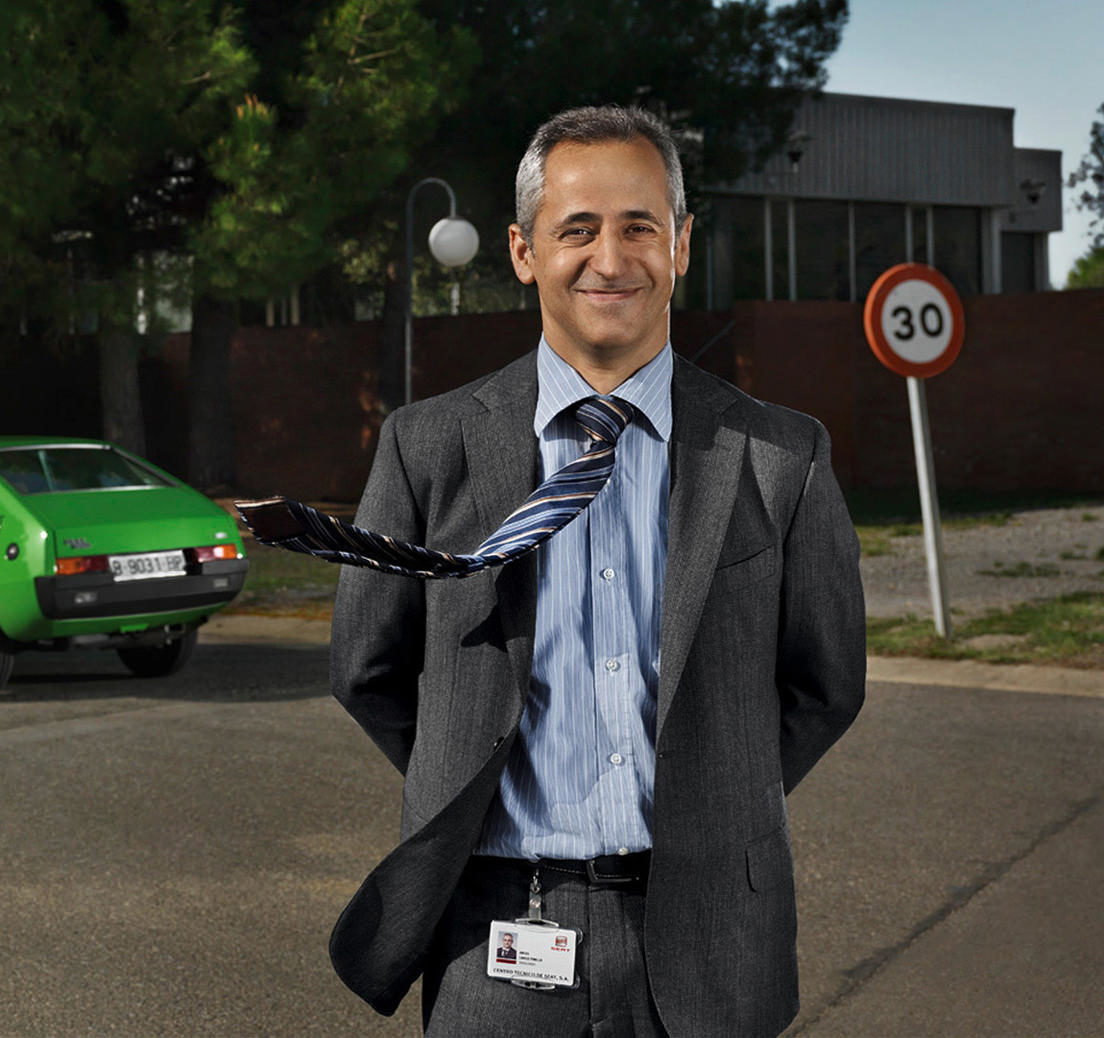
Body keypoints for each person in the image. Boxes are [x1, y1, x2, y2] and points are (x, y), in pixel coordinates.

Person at [321, 106, 866, 1036]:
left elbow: (825, 683)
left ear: (682, 244)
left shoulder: (780, 454)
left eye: (639, 226)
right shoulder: (427, 449)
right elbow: (369, 669)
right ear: (525, 252)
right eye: (576, 228)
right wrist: (467, 774)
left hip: (712, 935)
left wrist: (713, 786)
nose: (610, 260)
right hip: (493, 931)